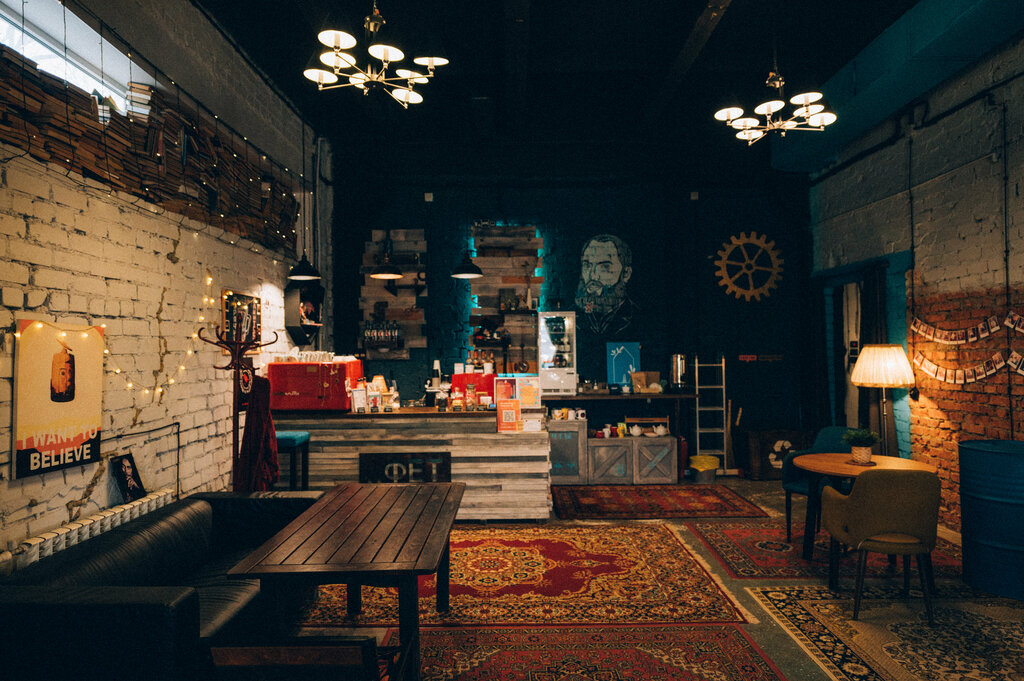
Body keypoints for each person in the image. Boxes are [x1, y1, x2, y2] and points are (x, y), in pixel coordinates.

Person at [574, 234, 638, 336]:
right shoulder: (571, 316)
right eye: (587, 265)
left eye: (604, 267)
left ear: (626, 274)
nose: (593, 276)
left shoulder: (640, 318)